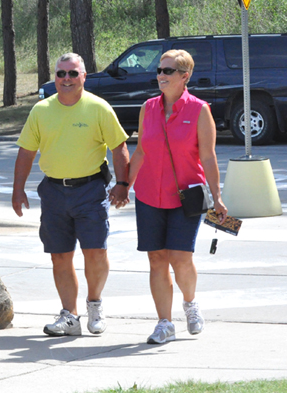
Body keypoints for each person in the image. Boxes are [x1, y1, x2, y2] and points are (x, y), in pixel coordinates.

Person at [12, 52, 130, 337]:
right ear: (55, 77)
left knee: (96, 252)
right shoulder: (41, 110)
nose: (66, 79)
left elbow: (119, 148)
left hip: (90, 190)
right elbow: (26, 152)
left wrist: (123, 184)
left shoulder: (98, 108)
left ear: (84, 76)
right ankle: (70, 316)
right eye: (61, 73)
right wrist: (18, 190)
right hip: (53, 192)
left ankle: (94, 305)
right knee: (60, 256)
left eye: (73, 73)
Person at [126, 49, 228, 344]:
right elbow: (142, 151)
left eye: (168, 71)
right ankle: (164, 323)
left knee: (180, 258)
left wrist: (218, 197)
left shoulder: (199, 110)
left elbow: (208, 158)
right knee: (157, 258)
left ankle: (190, 303)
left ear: (185, 76)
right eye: (159, 70)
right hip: (149, 195)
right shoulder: (148, 107)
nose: (160, 75)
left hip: (187, 196)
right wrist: (125, 185)